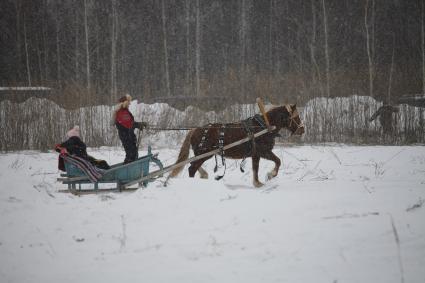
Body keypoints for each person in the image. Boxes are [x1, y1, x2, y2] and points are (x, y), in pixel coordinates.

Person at [112, 94, 147, 163]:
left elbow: (130, 122)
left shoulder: (125, 111)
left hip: (129, 135)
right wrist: (138, 125)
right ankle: (128, 170)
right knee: (131, 155)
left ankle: (131, 169)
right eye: (128, 102)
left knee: (132, 154)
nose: (130, 104)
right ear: (125, 103)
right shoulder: (121, 112)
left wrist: (139, 124)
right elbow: (128, 124)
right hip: (126, 136)